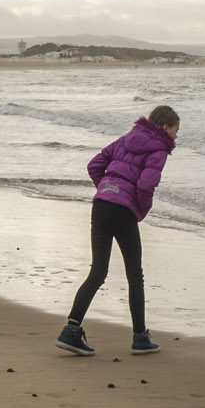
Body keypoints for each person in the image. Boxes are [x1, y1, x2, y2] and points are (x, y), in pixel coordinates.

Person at [54, 105, 180, 357]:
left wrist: (108, 189)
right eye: (176, 130)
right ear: (165, 128)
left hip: (101, 206)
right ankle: (140, 338)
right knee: (135, 274)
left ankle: (70, 330)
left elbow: (94, 165)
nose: (176, 136)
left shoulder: (126, 139)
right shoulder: (159, 149)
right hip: (122, 212)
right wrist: (138, 210)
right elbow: (145, 185)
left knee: (97, 271)